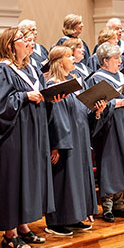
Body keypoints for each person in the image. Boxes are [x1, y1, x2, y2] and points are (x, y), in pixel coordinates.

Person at [0, 27, 54, 248]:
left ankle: (23, 226)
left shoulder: (31, 69)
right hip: (11, 137)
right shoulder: (2, 70)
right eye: (22, 39)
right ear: (11, 45)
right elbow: (1, 105)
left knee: (27, 179)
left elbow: (39, 94)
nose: (27, 42)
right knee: (12, 181)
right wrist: (24, 96)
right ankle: (9, 233)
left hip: (31, 133)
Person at [85, 42, 124, 222]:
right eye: (116, 58)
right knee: (111, 164)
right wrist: (120, 102)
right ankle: (108, 207)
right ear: (105, 61)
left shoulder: (123, 77)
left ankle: (119, 205)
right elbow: (93, 106)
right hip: (109, 128)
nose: (120, 61)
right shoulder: (96, 78)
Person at [44, 46, 101, 236]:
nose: (74, 59)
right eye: (69, 57)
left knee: (78, 179)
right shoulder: (54, 85)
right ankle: (56, 222)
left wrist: (97, 111)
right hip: (65, 140)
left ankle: (75, 217)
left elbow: (83, 110)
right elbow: (55, 118)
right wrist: (56, 146)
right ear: (60, 62)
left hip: (80, 136)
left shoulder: (75, 82)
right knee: (64, 180)